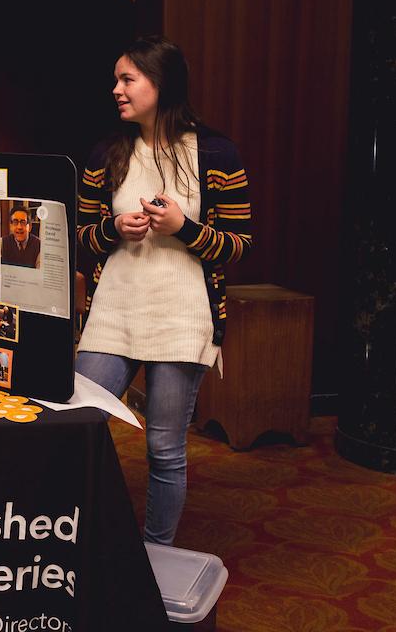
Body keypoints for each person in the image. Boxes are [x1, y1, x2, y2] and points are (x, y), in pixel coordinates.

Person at [75, 35, 253, 546]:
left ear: (162, 83)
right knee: (79, 426)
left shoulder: (216, 153)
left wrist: (183, 228)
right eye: (116, 79)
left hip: (183, 315)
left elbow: (239, 245)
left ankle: (157, 555)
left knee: (165, 449)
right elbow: (81, 237)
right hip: (112, 312)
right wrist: (114, 228)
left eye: (127, 79)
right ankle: (82, 540)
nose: (116, 89)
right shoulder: (106, 152)